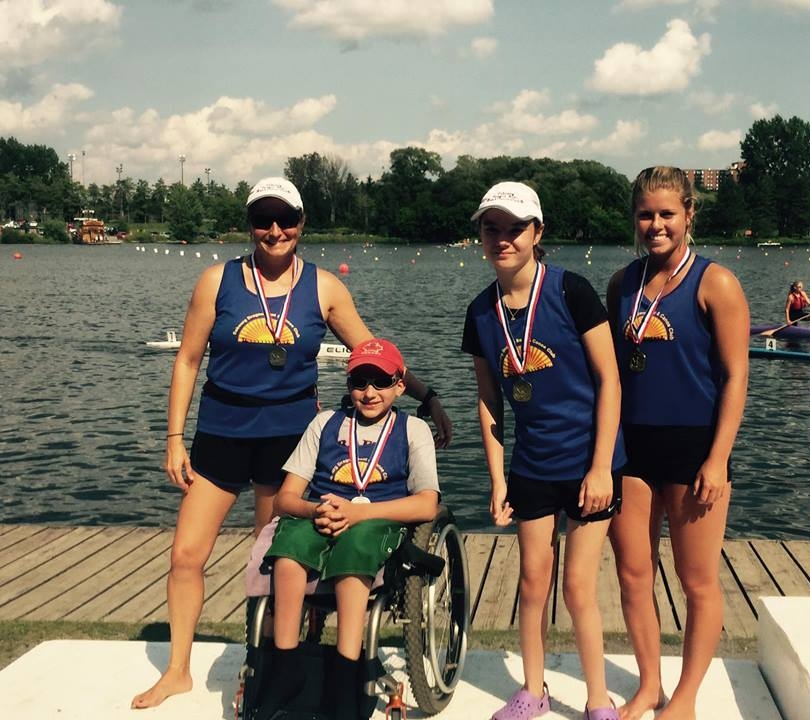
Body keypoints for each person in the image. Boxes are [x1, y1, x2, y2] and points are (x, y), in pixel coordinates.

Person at [132, 177, 452, 709]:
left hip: (288, 444)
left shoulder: (324, 287)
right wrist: (174, 437)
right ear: (250, 224)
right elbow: (188, 359)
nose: (274, 230)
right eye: (263, 219)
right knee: (186, 554)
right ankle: (179, 670)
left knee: (274, 565)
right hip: (221, 436)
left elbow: (373, 348)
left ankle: (271, 666)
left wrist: (428, 397)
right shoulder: (218, 280)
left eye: (286, 219)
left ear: (302, 224)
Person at [462, 181, 626, 720]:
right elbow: (490, 403)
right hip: (532, 465)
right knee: (533, 579)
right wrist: (497, 478)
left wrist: (602, 466)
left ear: (537, 233)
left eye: (514, 229)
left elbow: (610, 380)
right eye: (492, 229)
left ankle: (598, 698)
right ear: (481, 235)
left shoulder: (571, 291)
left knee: (578, 585)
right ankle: (533, 690)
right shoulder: (480, 313)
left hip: (588, 463)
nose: (503, 239)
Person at [606, 166, 749, 720]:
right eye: (646, 214)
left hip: (696, 450)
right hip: (633, 448)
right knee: (633, 572)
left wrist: (717, 459)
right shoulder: (622, 284)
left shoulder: (717, 283)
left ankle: (685, 698)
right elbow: (610, 374)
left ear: (689, 213)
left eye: (668, 213)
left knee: (696, 581)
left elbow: (736, 377)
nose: (656, 225)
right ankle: (649, 686)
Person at [254, 337, 440, 720]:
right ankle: (285, 667)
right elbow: (284, 499)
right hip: (322, 512)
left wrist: (358, 515)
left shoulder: (413, 429)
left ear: (400, 385)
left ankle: (345, 671)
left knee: (356, 548)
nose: (369, 392)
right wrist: (313, 508)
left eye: (381, 382)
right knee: (289, 549)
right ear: (348, 383)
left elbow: (427, 503)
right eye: (360, 382)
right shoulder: (325, 424)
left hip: (376, 520)